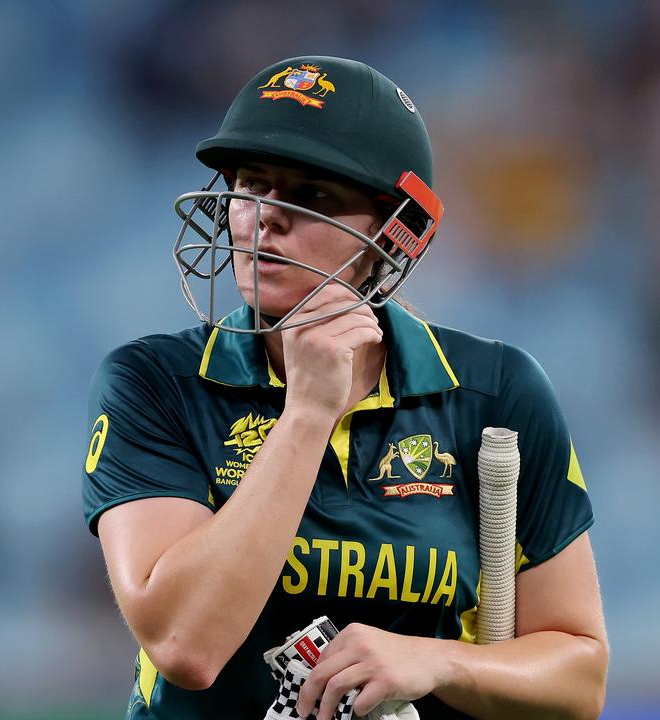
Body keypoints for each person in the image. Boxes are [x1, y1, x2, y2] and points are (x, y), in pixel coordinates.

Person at [81, 55, 608, 720]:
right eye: (250, 185)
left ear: (393, 231)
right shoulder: (155, 384)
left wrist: (436, 660)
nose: (264, 217)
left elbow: (579, 679)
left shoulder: (494, 394)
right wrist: (307, 412)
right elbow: (186, 645)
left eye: (312, 196)